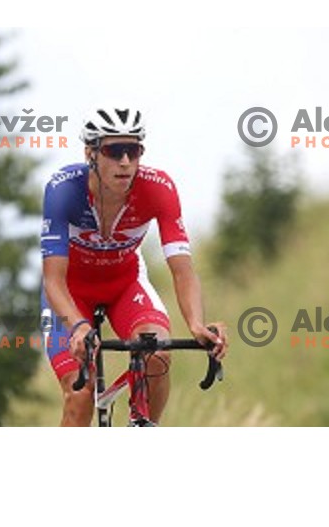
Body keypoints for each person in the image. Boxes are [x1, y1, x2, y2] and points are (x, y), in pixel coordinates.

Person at [41, 106, 228, 426]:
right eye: (114, 151)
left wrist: (197, 324)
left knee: (156, 353)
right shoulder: (63, 190)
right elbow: (53, 280)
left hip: (125, 284)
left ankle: (143, 427)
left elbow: (183, 269)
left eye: (134, 150)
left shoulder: (159, 188)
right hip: (71, 293)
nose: (125, 161)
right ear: (91, 153)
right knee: (80, 394)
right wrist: (77, 326)